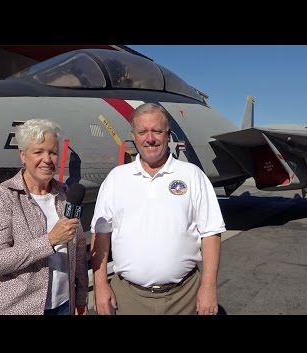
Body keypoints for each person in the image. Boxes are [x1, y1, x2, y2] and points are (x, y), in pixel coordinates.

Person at [90, 103, 225, 315]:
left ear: (168, 134)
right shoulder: (116, 179)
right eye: (142, 131)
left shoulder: (192, 175)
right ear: (133, 136)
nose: (150, 138)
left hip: (185, 295)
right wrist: (100, 287)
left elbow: (211, 233)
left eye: (157, 131)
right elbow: (101, 234)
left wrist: (208, 288)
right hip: (129, 297)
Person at [0, 119, 88, 315]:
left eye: (53, 152)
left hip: (64, 305)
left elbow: (79, 248)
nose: (47, 159)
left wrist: (80, 298)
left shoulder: (65, 194)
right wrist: (50, 241)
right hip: (18, 308)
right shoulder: (4, 195)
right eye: (38, 152)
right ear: (23, 155)